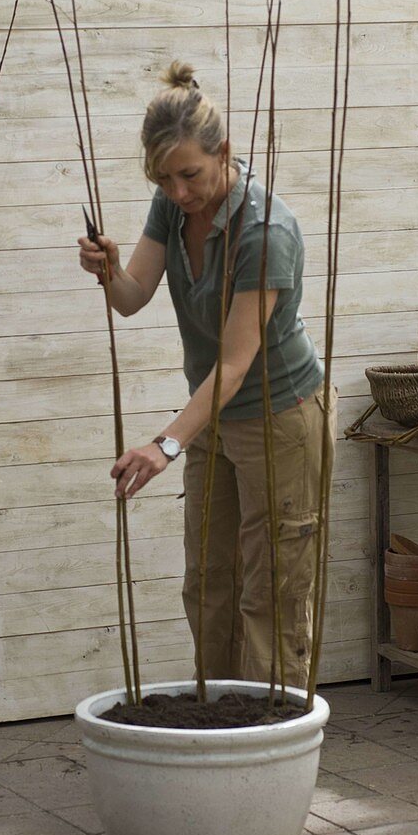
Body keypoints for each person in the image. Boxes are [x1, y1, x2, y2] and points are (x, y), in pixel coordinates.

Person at [77, 61, 336, 689]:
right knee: (209, 586)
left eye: (189, 174)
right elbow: (134, 296)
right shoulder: (172, 207)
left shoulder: (265, 232)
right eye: (163, 178)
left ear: (225, 151)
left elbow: (236, 363)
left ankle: (267, 740)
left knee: (267, 594)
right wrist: (109, 268)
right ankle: (216, 725)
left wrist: (166, 444)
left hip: (280, 420)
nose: (178, 192)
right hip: (212, 418)